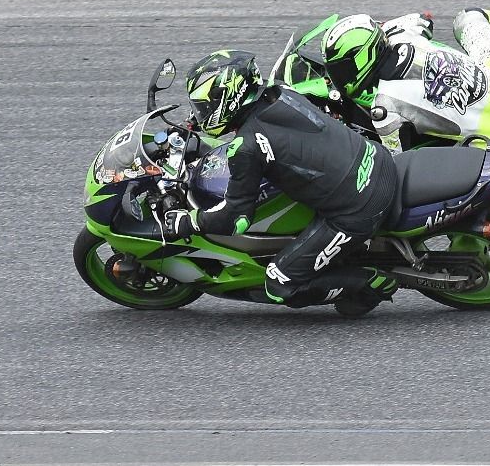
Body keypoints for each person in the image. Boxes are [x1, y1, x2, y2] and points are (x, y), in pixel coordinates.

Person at [162, 49, 399, 316]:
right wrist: (194, 123)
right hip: (375, 157)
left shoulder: (246, 147)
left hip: (359, 206)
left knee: (279, 284)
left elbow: (236, 219)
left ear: (229, 99)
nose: (202, 114)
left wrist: (189, 222)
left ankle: (372, 282)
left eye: (204, 108)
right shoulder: (281, 90)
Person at [321, 8, 490, 153]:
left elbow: (396, 164)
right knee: (469, 16)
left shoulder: (384, 107)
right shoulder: (401, 33)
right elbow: (423, 19)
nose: (338, 76)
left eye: (340, 69)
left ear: (363, 58)